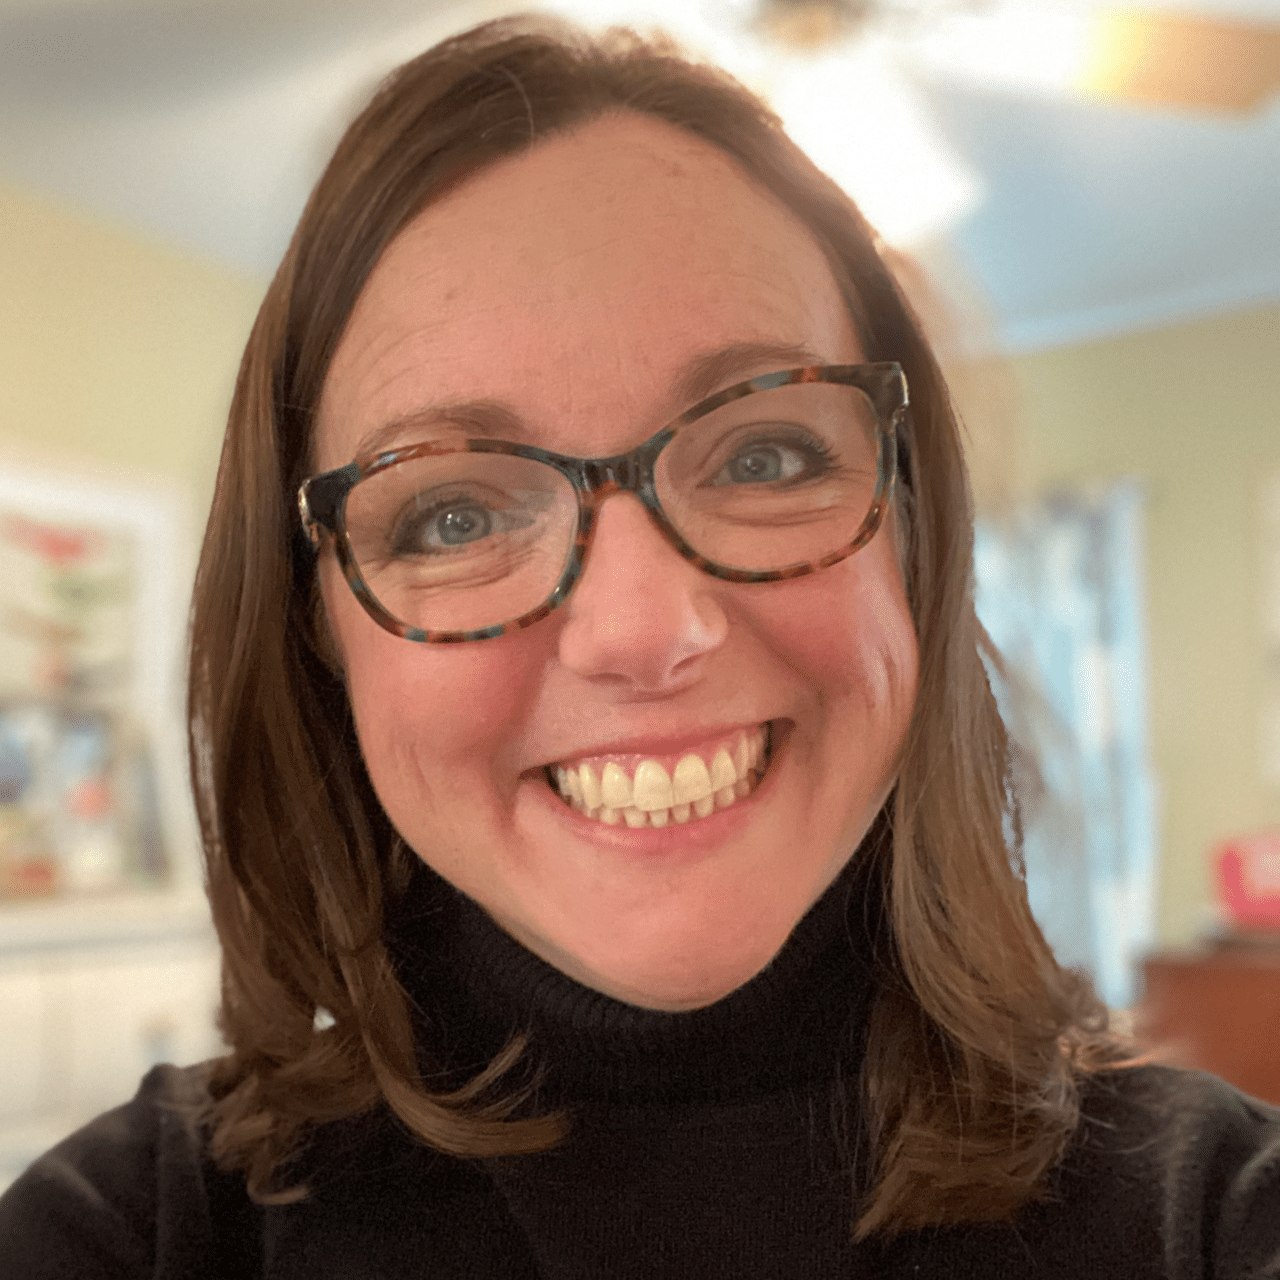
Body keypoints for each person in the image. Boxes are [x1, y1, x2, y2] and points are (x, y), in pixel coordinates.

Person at [2, 16, 1277, 1279]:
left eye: (764, 455)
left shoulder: (1208, 1214)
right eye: (452, 515)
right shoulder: (137, 1230)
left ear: (913, 541)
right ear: (317, 632)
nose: (644, 629)